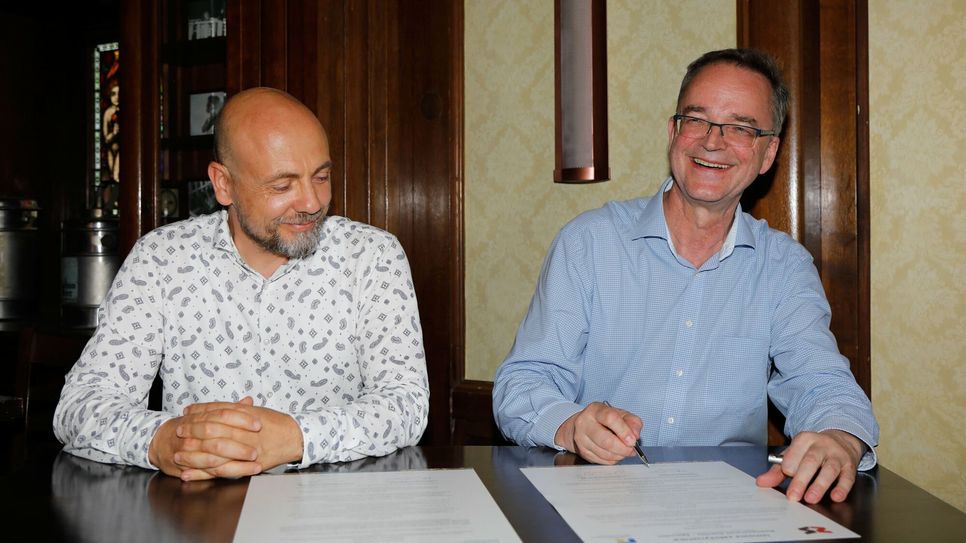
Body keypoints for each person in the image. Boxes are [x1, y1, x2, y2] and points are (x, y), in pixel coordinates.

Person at [492, 49, 878, 505]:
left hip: (728, 508)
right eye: (697, 120)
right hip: (595, 500)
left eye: (740, 128)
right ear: (674, 131)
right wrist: (569, 424)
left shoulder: (784, 267)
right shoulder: (589, 243)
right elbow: (523, 382)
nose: (713, 142)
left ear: (767, 152)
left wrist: (840, 439)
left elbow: (821, 382)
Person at [55, 87, 429, 481]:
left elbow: (405, 405)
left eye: (321, 176)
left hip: (334, 514)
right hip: (196, 516)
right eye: (282, 186)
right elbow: (80, 405)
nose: (311, 202)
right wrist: (165, 440)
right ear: (223, 184)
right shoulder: (162, 258)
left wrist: (294, 437)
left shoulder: (371, 257)